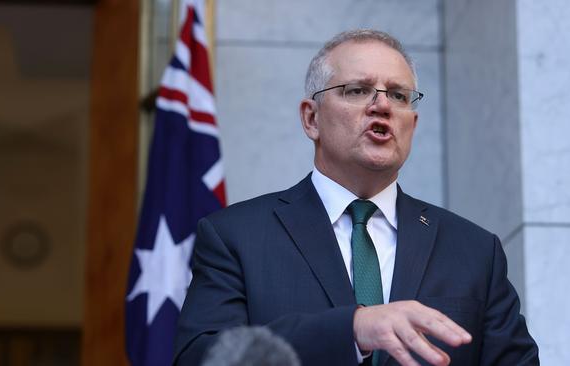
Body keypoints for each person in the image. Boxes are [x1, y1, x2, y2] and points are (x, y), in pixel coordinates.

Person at [173, 29, 539, 366]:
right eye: (357, 90)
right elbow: (203, 358)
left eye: (397, 95)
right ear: (311, 119)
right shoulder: (236, 236)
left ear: (412, 124)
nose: (382, 105)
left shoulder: (475, 251)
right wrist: (351, 329)